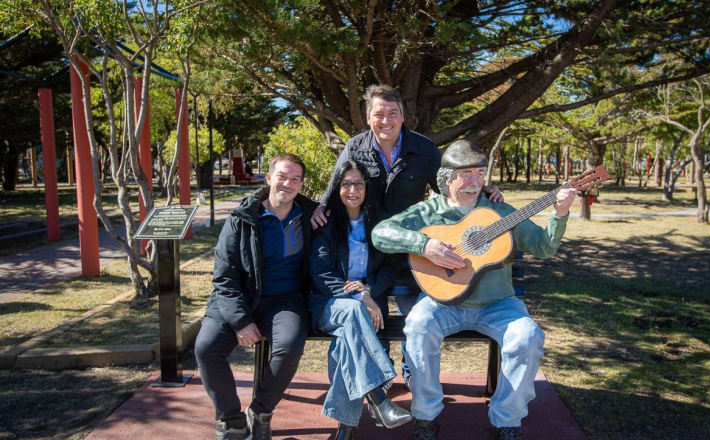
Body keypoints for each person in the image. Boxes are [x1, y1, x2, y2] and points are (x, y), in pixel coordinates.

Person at [371, 140, 578, 440]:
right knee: (417, 325)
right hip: (442, 302)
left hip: (498, 304)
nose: (475, 183)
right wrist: (424, 245)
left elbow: (543, 247)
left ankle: (507, 420)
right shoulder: (429, 211)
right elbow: (381, 234)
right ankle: (426, 417)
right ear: (447, 178)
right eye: (466, 175)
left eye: (480, 174)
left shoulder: (498, 210)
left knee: (528, 336)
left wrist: (559, 214)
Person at [310, 84, 504, 386]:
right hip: (370, 248)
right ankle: (380, 370)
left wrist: (481, 191)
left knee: (415, 315)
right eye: (378, 114)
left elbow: (450, 184)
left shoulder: (424, 149)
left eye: (392, 113)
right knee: (370, 304)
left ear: (403, 115)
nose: (385, 120)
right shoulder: (355, 146)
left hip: (412, 246)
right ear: (367, 116)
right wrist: (320, 206)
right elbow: (338, 182)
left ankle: (411, 366)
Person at [194, 153, 319, 440]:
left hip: (285, 300)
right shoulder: (242, 219)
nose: (288, 183)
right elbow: (224, 277)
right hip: (239, 297)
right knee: (206, 348)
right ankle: (232, 422)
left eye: (295, 179)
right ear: (269, 178)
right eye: (283, 176)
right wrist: (241, 321)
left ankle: (260, 411)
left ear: (301, 185)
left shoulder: (308, 215)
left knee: (288, 347)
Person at [308, 160, 413, 439]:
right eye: (346, 184)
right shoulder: (326, 222)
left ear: (367, 188)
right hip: (328, 304)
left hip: (365, 309)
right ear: (337, 188)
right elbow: (321, 275)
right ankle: (379, 397)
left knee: (346, 344)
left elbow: (392, 265)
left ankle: (346, 429)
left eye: (358, 184)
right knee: (354, 312)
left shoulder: (379, 222)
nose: (352, 190)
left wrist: (368, 290)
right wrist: (360, 295)